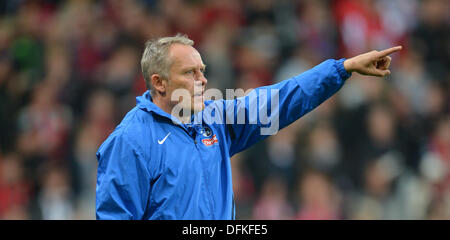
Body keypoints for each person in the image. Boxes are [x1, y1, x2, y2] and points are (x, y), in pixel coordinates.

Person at [95, 33, 402, 220]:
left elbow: (281, 99)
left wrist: (342, 68)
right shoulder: (130, 142)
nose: (203, 80)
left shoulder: (214, 120)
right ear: (159, 83)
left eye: (202, 71)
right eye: (190, 73)